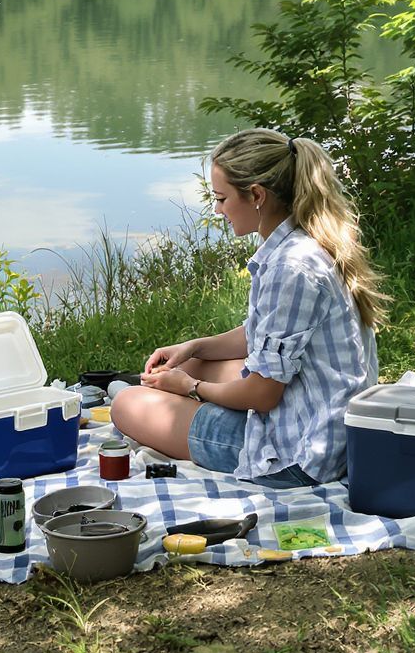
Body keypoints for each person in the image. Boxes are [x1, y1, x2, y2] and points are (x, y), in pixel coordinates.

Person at [110, 129, 384, 487]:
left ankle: (174, 405)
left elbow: (262, 395)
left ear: (256, 195)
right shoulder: (304, 242)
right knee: (190, 364)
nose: (217, 209)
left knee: (127, 403)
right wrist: (194, 347)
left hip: (299, 453)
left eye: (221, 198)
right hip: (327, 420)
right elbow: (266, 334)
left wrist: (191, 388)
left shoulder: (290, 267)